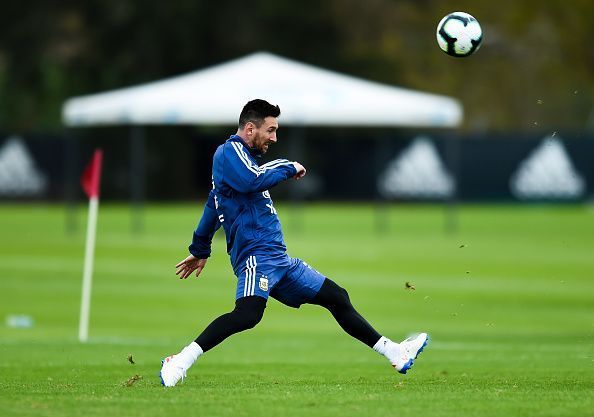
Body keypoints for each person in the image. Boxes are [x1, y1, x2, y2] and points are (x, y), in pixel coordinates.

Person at [159, 99, 428, 387]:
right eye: (271, 130)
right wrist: (289, 165)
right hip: (256, 257)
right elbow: (252, 181)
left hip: (279, 259)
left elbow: (214, 204)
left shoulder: (243, 161)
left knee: (336, 297)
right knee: (248, 314)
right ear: (250, 129)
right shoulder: (229, 152)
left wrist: (200, 249)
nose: (274, 138)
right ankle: (181, 360)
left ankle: (394, 352)